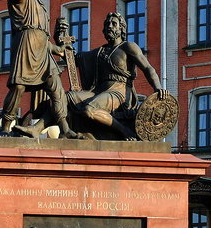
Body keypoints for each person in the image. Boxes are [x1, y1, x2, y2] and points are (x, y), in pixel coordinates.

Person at [0, 0, 77, 138]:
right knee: (19, 87)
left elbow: (42, 37)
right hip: (26, 46)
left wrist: (57, 49)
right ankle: (5, 127)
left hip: (43, 52)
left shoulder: (41, 7)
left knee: (57, 88)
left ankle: (66, 129)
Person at [68, 11, 168, 139]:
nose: (109, 26)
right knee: (68, 97)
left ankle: (124, 130)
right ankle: (50, 131)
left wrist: (158, 88)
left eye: (114, 24)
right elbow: (73, 59)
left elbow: (148, 68)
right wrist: (62, 43)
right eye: (107, 24)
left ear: (121, 29)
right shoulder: (99, 52)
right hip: (98, 91)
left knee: (89, 109)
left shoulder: (128, 47)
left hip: (119, 93)